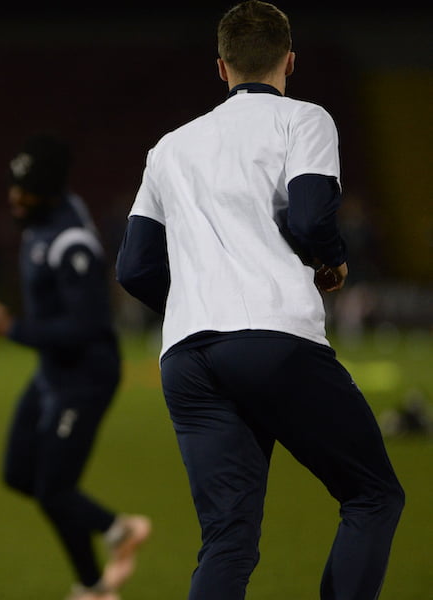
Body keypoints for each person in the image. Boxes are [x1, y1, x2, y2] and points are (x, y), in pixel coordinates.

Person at [115, 2, 405, 599]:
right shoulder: (304, 120)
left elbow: (134, 267)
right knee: (373, 495)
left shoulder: (169, 147)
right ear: (289, 61)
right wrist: (333, 259)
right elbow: (311, 217)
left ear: (221, 67)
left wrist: (196, 304)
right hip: (274, 339)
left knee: (227, 539)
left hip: (187, 358)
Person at [0, 133, 151, 600]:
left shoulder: (72, 243)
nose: (15, 197)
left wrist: (11, 329)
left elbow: (85, 328)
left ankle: (97, 577)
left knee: (54, 489)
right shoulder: (41, 218)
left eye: (26, 190)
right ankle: (112, 538)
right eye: (14, 186)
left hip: (85, 377)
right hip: (54, 371)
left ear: (50, 191)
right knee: (19, 474)